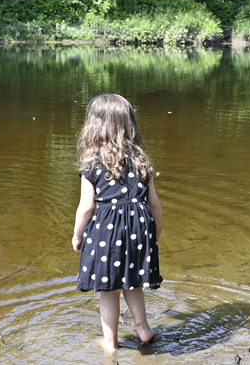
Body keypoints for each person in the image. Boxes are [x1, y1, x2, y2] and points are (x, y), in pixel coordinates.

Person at [72, 94, 164, 353]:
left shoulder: (92, 164)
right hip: (140, 228)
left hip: (107, 232)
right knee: (132, 281)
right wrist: (156, 231)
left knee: (109, 290)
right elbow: (154, 202)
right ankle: (143, 329)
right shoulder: (141, 160)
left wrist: (77, 235)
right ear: (129, 124)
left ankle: (110, 344)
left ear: (93, 127)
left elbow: (87, 207)